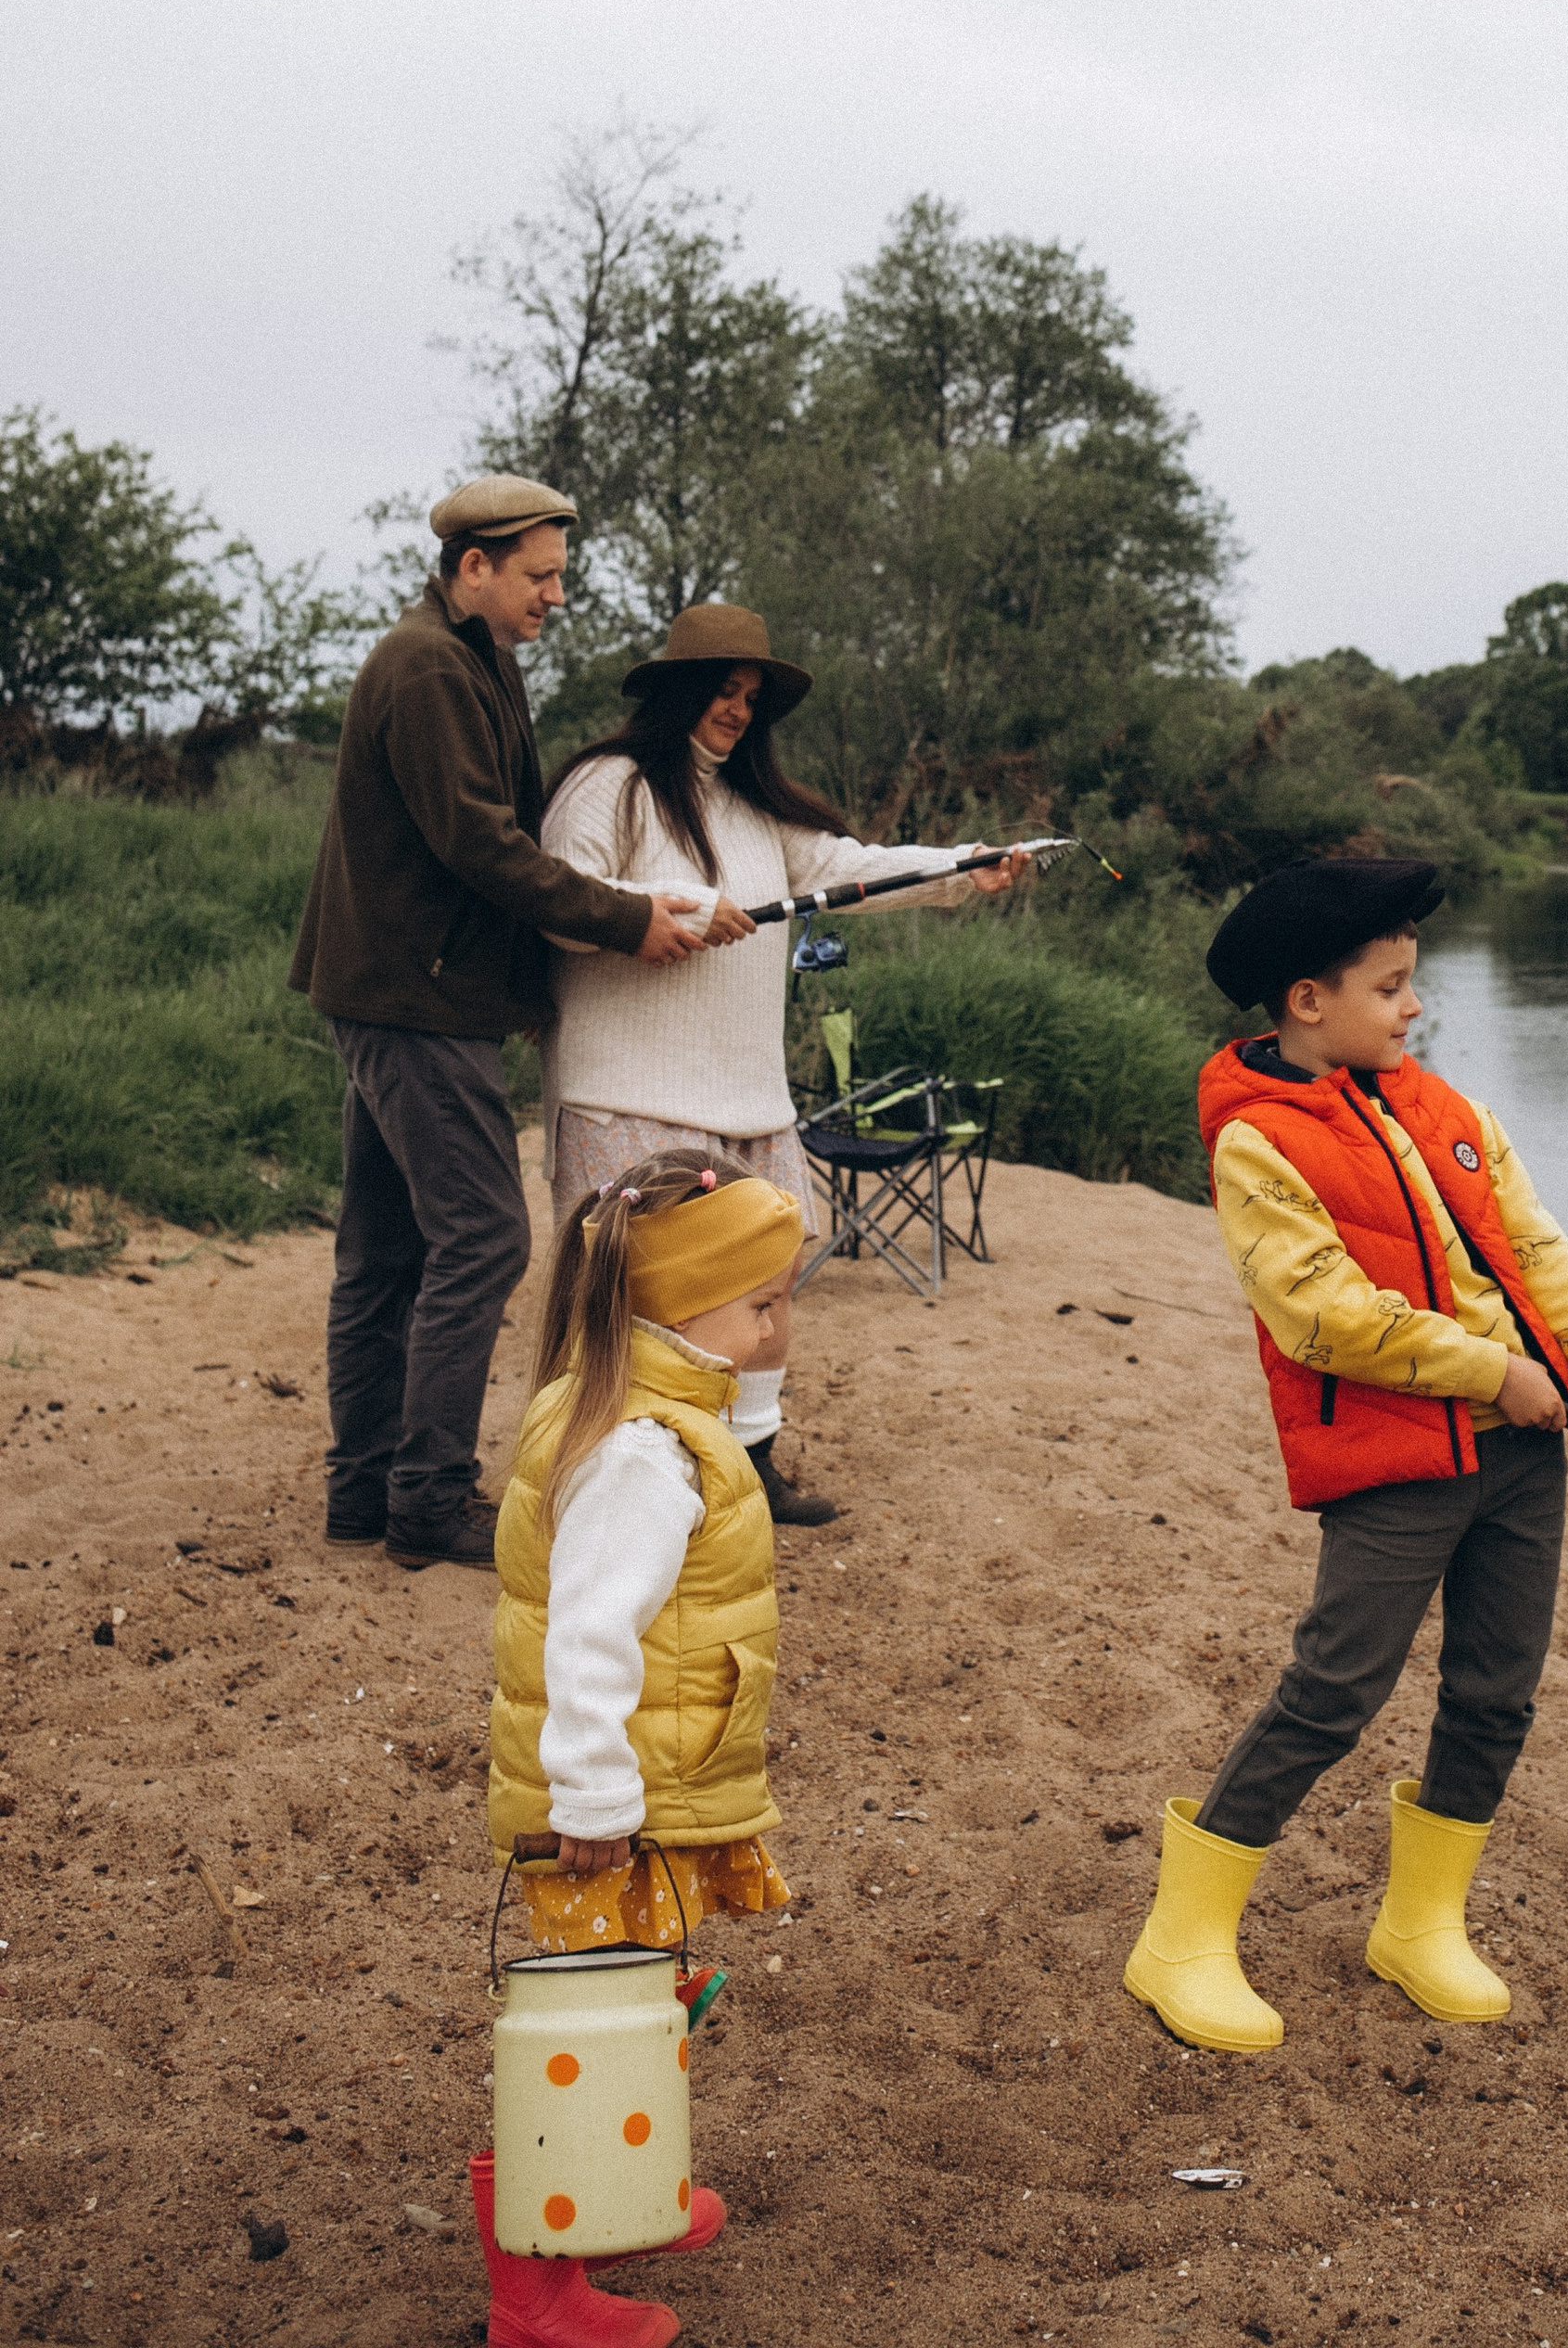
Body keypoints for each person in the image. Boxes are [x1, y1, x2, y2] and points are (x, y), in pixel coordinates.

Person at [1122, 854, 1568, 2053]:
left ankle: (1421, 1924)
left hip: (1526, 1461)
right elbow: (1319, 1313)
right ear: (1305, 1003)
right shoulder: (1258, 1145)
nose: (1412, 1007)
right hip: (1396, 1466)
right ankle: (1179, 1938)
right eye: (1389, 988)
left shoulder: (1450, 1115)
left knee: (1496, 1695)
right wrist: (1491, 1371)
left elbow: (1545, 1267)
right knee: (1333, 1692)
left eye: (1411, 983)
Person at [292, 479, 720, 1573]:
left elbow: (489, 841)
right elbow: (479, 845)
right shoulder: (430, 665)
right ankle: (428, 1502)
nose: (555, 594)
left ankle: (363, 1493)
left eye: (559, 574)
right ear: (471, 566)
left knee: (386, 1253)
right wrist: (626, 920)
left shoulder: (474, 655)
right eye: (539, 574)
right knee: (483, 1238)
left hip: (407, 990)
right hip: (411, 1001)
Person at [538, 602, 1024, 1525]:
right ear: (681, 689)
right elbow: (566, 900)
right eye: (723, 691)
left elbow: (853, 865)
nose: (737, 711)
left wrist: (965, 864)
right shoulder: (610, 785)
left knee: (767, 1283)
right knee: (635, 1301)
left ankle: (752, 1468)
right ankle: (599, 1479)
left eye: (751, 698)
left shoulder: (757, 812)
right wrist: (674, 901)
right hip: (627, 1093)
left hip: (751, 1097)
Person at [472, 1154, 801, 2348]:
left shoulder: (639, 1406)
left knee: (635, 1997)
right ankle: (538, 2298)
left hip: (651, 1781)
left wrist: (746, 1380)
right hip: (620, 1798)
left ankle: (627, 2182)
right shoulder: (641, 1457)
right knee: (580, 2029)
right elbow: (587, 1634)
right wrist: (597, 1793)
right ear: (678, 1309)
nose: (781, 1325)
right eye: (762, 1303)